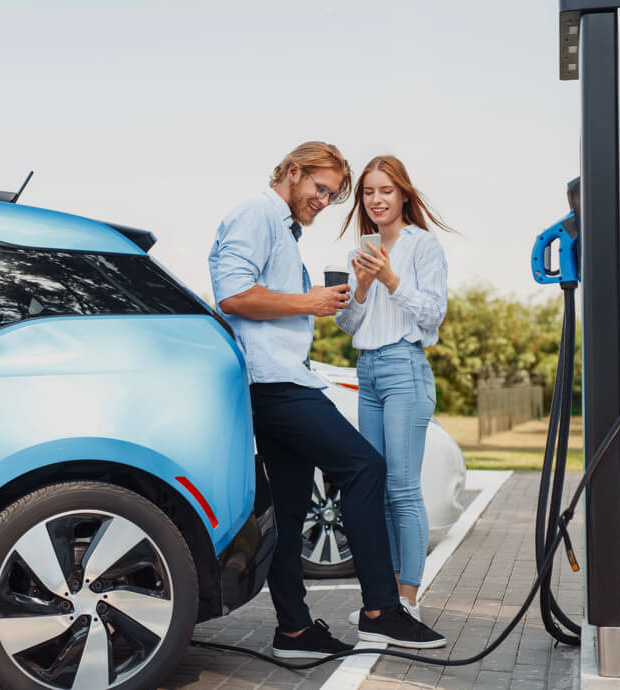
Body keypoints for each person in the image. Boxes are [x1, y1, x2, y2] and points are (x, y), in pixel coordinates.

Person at [208, 142, 446, 658]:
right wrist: (311, 300)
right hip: (277, 383)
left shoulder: (284, 231)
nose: (325, 200)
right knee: (365, 469)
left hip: (282, 379)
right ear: (292, 172)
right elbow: (231, 295)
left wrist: (329, 296)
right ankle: (382, 612)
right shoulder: (257, 214)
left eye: (335, 194)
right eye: (321, 189)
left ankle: (294, 631)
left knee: (291, 508)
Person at [335, 155, 449, 635]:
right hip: (370, 373)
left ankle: (408, 600)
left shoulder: (423, 246)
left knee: (403, 490)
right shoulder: (359, 252)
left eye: (386, 190)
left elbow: (433, 314)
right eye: (368, 192)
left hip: (405, 368)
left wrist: (389, 279)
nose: (376, 200)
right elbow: (347, 324)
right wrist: (360, 287)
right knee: (375, 488)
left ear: (403, 194)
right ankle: (382, 602)